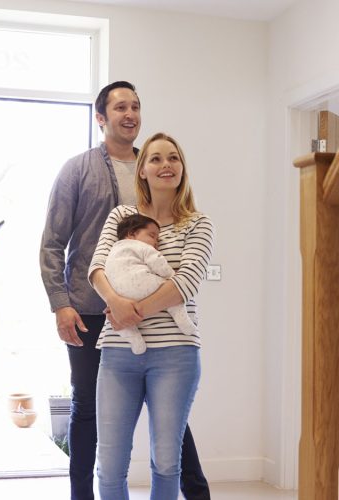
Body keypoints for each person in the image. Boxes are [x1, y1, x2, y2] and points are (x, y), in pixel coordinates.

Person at [40, 82, 211, 500]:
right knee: (88, 415)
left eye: (135, 106)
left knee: (168, 432)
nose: (129, 114)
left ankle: (197, 493)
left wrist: (139, 308)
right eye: (120, 107)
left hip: (163, 329)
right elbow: (56, 245)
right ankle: (81, 496)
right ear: (101, 117)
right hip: (92, 311)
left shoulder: (173, 197)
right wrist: (65, 305)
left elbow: (183, 278)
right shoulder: (79, 170)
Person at [88, 132, 214, 500]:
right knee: (109, 465)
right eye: (156, 159)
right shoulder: (122, 217)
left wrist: (132, 311)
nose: (165, 165)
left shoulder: (198, 224)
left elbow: (186, 282)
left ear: (182, 169)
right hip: (117, 353)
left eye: (173, 158)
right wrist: (115, 300)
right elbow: (98, 268)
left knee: (165, 461)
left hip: (175, 355)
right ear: (141, 170)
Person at [103, 213, 198, 354]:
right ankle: (181, 319)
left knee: (121, 323)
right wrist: (172, 275)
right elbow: (157, 262)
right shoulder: (141, 247)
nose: (156, 243)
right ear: (132, 234)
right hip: (142, 283)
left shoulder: (112, 251)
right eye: (152, 236)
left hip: (119, 294)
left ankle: (134, 338)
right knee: (170, 289)